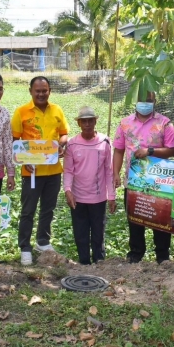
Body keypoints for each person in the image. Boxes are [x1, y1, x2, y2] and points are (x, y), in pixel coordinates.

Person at [113, 90, 174, 264]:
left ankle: (162, 255)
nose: (145, 103)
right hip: (133, 181)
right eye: (141, 99)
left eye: (149, 100)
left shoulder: (165, 123)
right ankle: (136, 253)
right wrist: (116, 173)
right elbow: (118, 150)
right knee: (134, 218)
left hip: (159, 182)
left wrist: (150, 151)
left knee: (161, 218)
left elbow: (173, 150)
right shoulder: (124, 123)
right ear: (135, 101)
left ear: (154, 101)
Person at [11, 76, 69, 266]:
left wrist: (61, 145)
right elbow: (15, 141)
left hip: (53, 170)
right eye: (38, 91)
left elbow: (64, 134)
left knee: (48, 209)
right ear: (31, 91)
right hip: (32, 172)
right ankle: (25, 247)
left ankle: (42, 242)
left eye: (45, 90)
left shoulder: (57, 110)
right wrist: (24, 159)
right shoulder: (21, 112)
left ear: (49, 91)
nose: (41, 94)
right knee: (28, 210)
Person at [63, 107, 116, 265]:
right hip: (78, 197)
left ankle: (99, 262)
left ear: (95, 121)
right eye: (84, 121)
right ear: (79, 123)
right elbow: (68, 170)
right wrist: (67, 190)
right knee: (80, 232)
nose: (87, 124)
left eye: (90, 121)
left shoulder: (104, 142)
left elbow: (109, 170)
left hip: (98, 197)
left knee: (98, 232)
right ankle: (84, 262)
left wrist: (111, 196)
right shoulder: (72, 144)